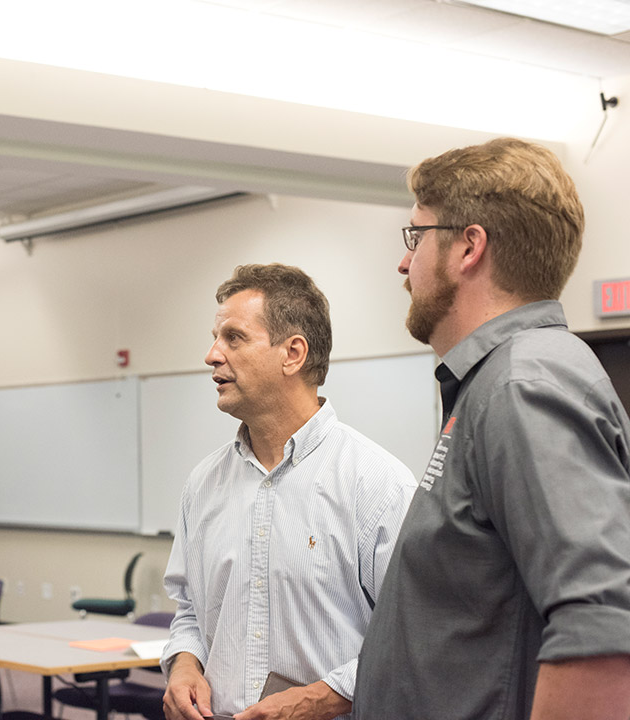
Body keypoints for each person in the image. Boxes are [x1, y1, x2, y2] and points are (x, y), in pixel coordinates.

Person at [352, 138, 630, 719]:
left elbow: (603, 624)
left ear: (468, 247)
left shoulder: (521, 384)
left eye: (416, 236)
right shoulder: (496, 381)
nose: (404, 263)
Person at [161, 264, 417, 720]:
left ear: (293, 353)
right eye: (216, 337)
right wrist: (184, 666)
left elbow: (417, 635)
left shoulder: (378, 485)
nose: (211, 355)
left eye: (233, 338)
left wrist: (318, 699)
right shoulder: (202, 484)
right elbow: (190, 614)